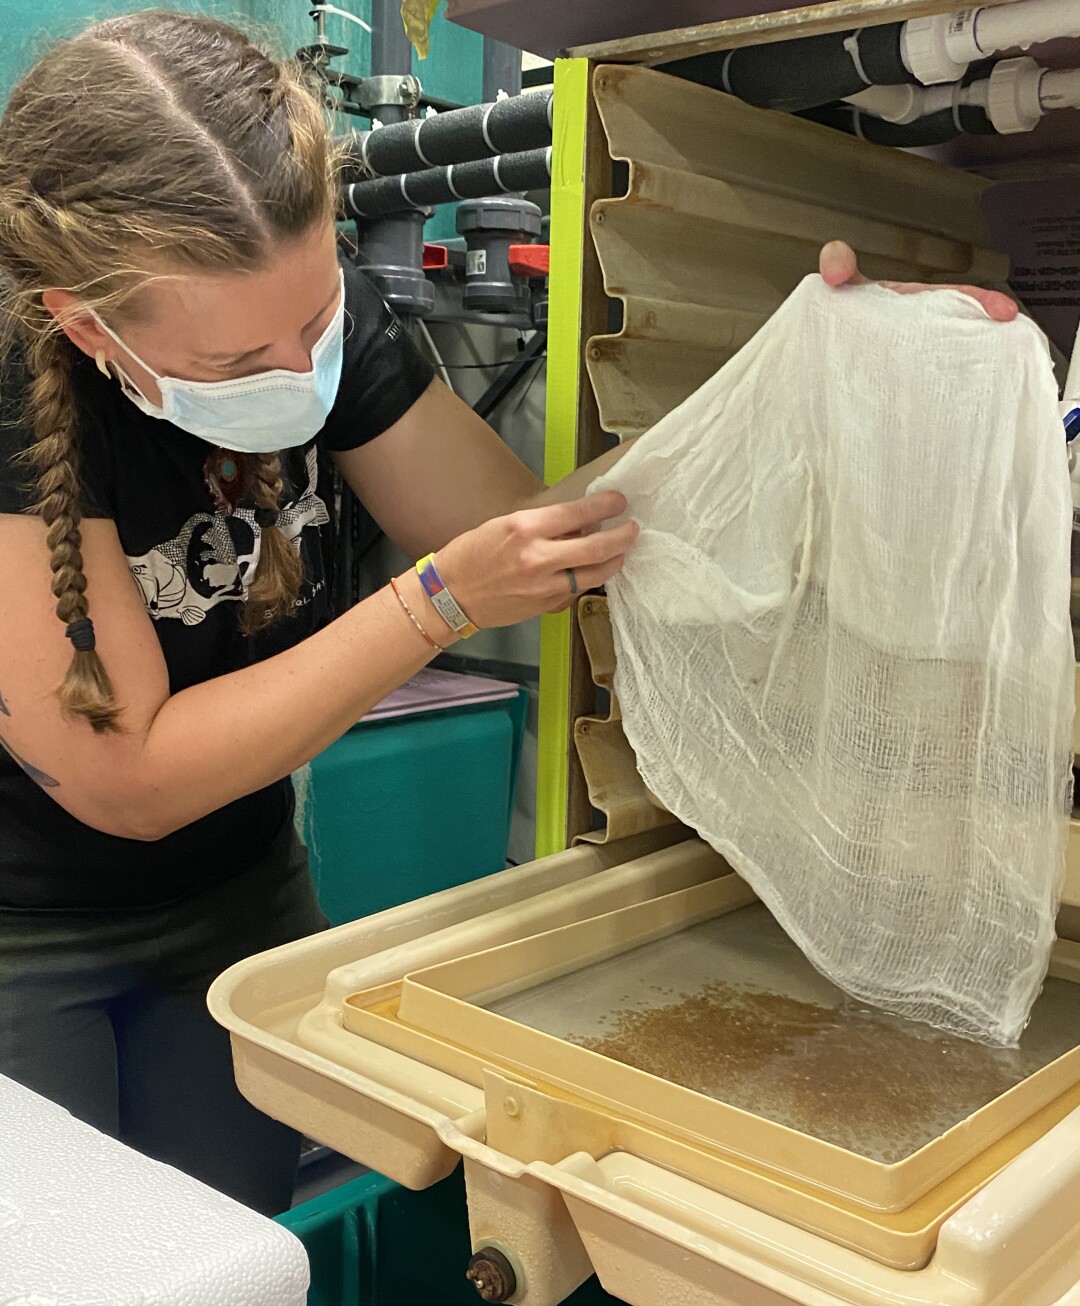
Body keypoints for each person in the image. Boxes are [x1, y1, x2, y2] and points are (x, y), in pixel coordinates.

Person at [0, 10, 1016, 1216]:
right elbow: (128, 778)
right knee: (63, 1290)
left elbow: (532, 529)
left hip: (234, 887)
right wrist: (437, 601)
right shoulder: (15, 381)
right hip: (26, 929)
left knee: (235, 1257)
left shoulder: (332, 326)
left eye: (314, 324)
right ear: (86, 322)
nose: (296, 369)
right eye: (234, 364)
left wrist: (816, 384)